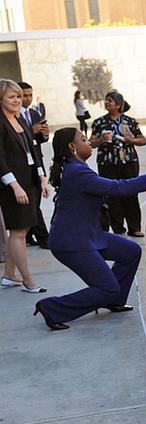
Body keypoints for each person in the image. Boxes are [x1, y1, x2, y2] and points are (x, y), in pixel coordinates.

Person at [33, 128, 146, 331]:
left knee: (131, 251)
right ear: (72, 147)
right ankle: (52, 308)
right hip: (71, 241)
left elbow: (108, 184)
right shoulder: (77, 171)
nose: (89, 142)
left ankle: (114, 300)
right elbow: (116, 187)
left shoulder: (74, 165)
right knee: (107, 288)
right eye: (84, 140)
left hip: (87, 234)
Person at [0, 79, 52, 293]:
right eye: (12, 97)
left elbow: (33, 151)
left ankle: (9, 275)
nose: (17, 100)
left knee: (22, 229)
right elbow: (0, 158)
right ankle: (27, 280)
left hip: (30, 181)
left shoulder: (20, 119)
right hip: (13, 185)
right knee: (19, 231)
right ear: (1, 99)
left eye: (18, 97)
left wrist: (41, 178)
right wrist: (14, 186)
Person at [90, 90, 146, 237]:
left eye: (110, 100)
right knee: (112, 195)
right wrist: (100, 140)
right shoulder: (99, 122)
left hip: (128, 161)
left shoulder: (129, 121)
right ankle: (118, 229)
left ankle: (134, 228)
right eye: (106, 100)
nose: (107, 103)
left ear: (118, 104)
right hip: (107, 162)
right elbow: (91, 143)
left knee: (131, 193)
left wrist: (131, 140)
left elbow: (142, 140)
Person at [18, 82, 50, 249]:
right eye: (24, 95)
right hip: (23, 165)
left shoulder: (34, 113)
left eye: (30, 95)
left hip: (38, 162)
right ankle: (44, 237)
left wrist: (44, 134)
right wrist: (32, 130)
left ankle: (29, 234)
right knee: (32, 202)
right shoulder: (14, 116)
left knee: (35, 201)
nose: (27, 98)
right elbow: (20, 137)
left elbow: (40, 140)